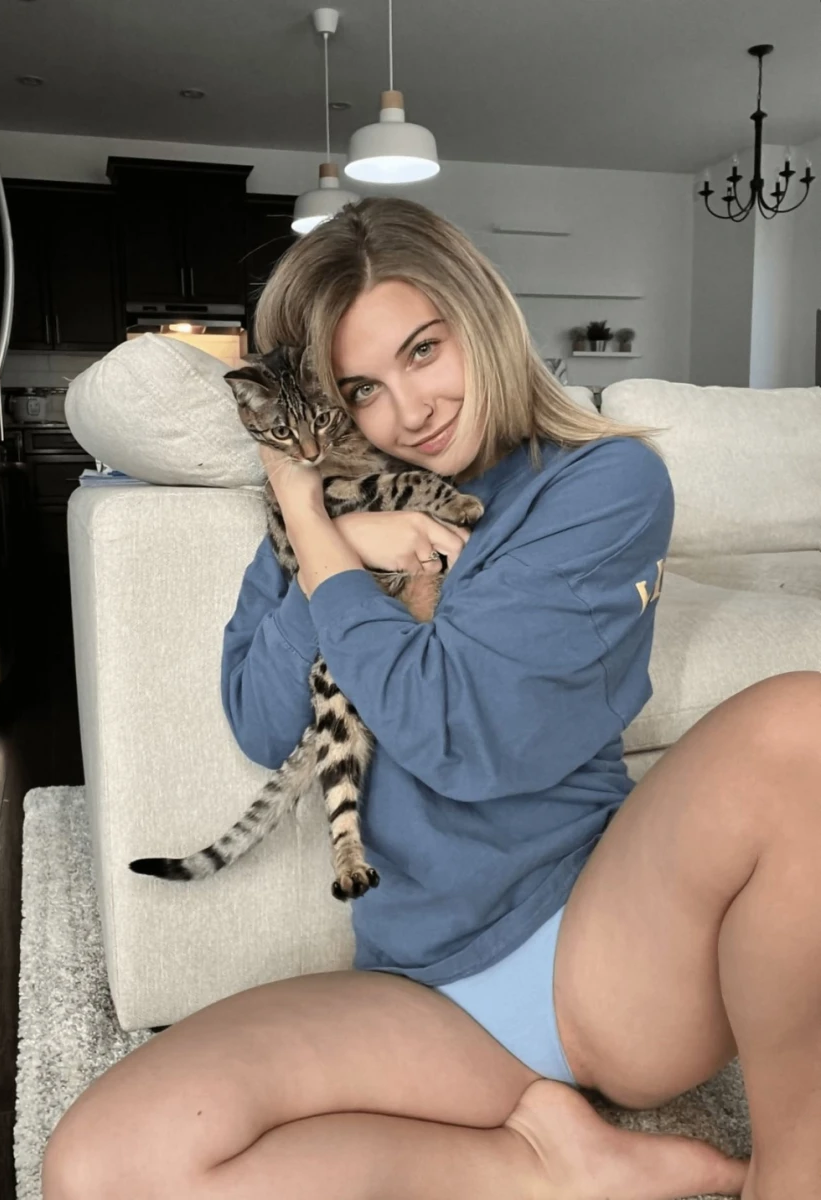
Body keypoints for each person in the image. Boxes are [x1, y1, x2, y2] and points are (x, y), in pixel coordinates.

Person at [42, 198, 821, 1200]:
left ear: (479, 319)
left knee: (800, 723)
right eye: (361, 388)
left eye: (423, 349)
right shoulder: (324, 512)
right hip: (425, 987)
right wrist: (317, 521)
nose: (408, 411)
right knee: (100, 1167)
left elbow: (457, 736)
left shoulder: (600, 485)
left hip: (605, 949)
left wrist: (323, 553)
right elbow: (260, 722)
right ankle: (546, 1164)